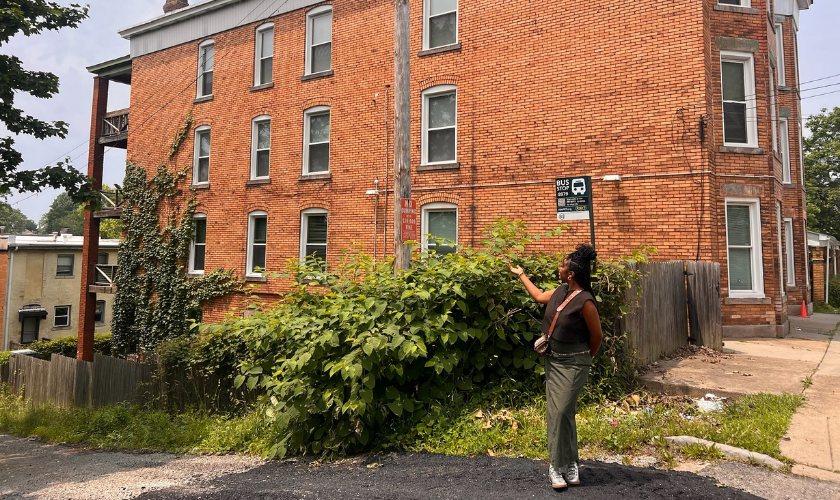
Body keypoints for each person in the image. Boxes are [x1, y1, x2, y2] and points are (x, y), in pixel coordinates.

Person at [508, 244, 603, 490]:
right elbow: (539, 296)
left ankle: (555, 465)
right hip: (553, 359)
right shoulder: (561, 291)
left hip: (574, 362)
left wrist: (584, 359)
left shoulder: (586, 302)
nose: (559, 268)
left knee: (560, 412)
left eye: (562, 265)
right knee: (561, 412)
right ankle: (570, 462)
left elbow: (597, 337)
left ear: (571, 273)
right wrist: (520, 274)